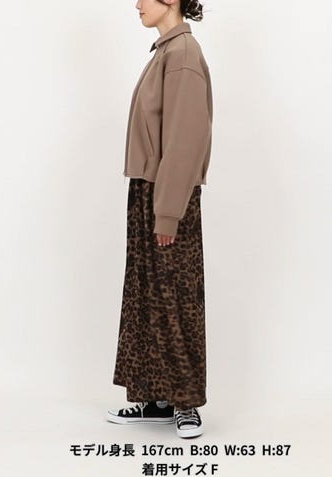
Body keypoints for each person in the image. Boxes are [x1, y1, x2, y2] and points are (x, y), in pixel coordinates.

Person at [107, 0, 213, 439]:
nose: (136, 4)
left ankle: (186, 404)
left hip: (166, 196)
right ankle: (157, 398)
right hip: (149, 191)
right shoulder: (167, 51)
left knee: (174, 299)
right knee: (150, 297)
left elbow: (185, 141)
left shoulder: (183, 55)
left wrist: (167, 213)